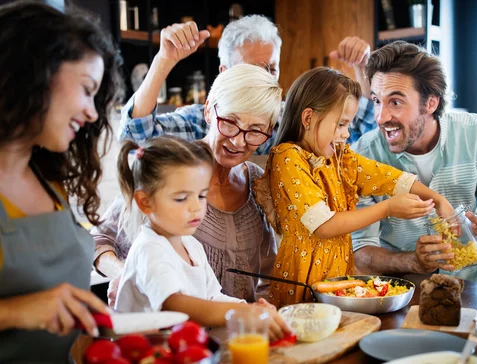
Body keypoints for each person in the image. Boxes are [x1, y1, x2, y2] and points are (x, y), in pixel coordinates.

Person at [254, 67, 454, 307]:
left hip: (337, 282)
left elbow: (388, 177)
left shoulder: (340, 158)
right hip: (300, 285)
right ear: (308, 119)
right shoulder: (288, 158)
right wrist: (387, 209)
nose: (346, 134)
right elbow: (324, 225)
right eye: (341, 124)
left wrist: (439, 200)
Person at [94, 64, 281, 306]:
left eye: (255, 131)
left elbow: (266, 277)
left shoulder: (259, 184)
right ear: (208, 112)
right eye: (230, 122)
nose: (237, 140)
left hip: (234, 336)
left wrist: (264, 314)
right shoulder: (172, 169)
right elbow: (98, 240)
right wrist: (129, 277)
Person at [0, 1, 123, 362]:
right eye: (87, 89)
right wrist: (17, 311)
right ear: (34, 74)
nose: (92, 112)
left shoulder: (47, 178)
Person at [351, 41, 477, 283]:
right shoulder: (363, 155)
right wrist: (413, 261)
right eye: (377, 101)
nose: (381, 117)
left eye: (396, 102)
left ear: (430, 103)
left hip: (474, 288)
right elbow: (361, 253)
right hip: (405, 295)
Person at [114, 136, 290, 340]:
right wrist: (244, 314)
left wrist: (248, 308)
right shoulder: (149, 249)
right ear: (145, 203)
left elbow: (213, 296)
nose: (196, 207)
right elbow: (176, 305)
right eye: (181, 198)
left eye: (201, 195)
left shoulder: (191, 244)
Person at [118, 15, 377, 153]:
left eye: (271, 69)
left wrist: (361, 69)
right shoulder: (204, 121)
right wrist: (163, 60)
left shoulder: (296, 119)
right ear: (223, 73)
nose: (263, 78)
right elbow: (137, 138)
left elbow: (367, 132)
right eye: (251, 69)